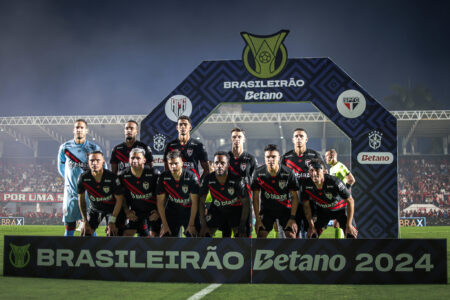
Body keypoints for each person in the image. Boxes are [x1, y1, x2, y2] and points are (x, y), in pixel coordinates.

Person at [57, 119, 102, 236]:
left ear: (86, 130)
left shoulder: (93, 147)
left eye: (82, 127)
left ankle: (95, 251)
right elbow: (61, 168)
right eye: (77, 127)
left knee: (90, 227)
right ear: (73, 130)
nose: (79, 129)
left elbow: (102, 169)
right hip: (71, 193)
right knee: (69, 226)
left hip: (89, 193)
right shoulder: (65, 147)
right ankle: (68, 251)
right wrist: (70, 180)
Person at [110, 120, 154, 236]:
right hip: (123, 191)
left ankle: (143, 234)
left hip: (140, 191)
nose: (129, 130)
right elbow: (113, 174)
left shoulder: (144, 148)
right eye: (126, 128)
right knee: (118, 228)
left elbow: (150, 172)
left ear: (136, 131)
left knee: (143, 225)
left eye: (131, 128)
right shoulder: (117, 149)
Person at [281, 128, 325, 238]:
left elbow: (324, 174)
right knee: (290, 234)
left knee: (313, 234)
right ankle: (295, 254)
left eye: (301, 136)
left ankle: (310, 255)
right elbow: (280, 180)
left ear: (306, 139)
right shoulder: (286, 157)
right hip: (292, 202)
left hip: (311, 202)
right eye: (296, 136)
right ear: (292, 140)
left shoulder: (314, 155)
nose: (299, 138)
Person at [301, 158, 358, 239]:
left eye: (317, 170)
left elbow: (350, 200)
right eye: (311, 170)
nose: (314, 173)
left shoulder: (334, 182)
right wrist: (311, 226)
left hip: (341, 211)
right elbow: (306, 206)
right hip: (323, 212)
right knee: (312, 236)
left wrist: (349, 225)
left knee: (351, 235)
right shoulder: (306, 185)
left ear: (323, 171)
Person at [251, 144, 299, 238]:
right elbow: (255, 197)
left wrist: (292, 218)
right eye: (268, 157)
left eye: (273, 157)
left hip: (285, 210)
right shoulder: (258, 172)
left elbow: (295, 197)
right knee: (261, 234)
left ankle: (293, 253)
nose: (270, 160)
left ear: (279, 158)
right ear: (264, 158)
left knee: (291, 235)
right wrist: (258, 219)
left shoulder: (288, 172)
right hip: (267, 211)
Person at [199, 151, 250, 237]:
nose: (219, 166)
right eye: (216, 163)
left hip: (234, 209)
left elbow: (246, 202)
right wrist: (203, 225)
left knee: (241, 236)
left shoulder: (237, 179)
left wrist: (242, 225)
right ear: (213, 165)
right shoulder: (208, 178)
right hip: (217, 209)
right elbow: (201, 201)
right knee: (205, 234)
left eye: (222, 163)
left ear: (228, 164)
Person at [77, 151, 125, 236]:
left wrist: (112, 220)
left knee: (113, 233)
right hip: (95, 209)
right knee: (85, 232)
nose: (94, 163)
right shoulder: (83, 177)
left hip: (111, 210)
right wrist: (85, 220)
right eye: (92, 160)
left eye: (97, 160)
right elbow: (81, 200)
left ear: (103, 162)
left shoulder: (112, 177)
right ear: (88, 162)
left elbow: (119, 200)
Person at [156, 150, 200, 237]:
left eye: (176, 163)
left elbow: (195, 203)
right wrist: (164, 225)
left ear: (182, 163)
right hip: (172, 211)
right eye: (170, 164)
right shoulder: (163, 177)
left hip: (189, 211)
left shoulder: (191, 176)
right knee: (166, 237)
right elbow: (160, 203)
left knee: (193, 237)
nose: (173, 166)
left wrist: (191, 225)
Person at [119, 148, 161, 237]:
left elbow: (162, 196)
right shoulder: (123, 176)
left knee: (153, 236)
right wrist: (127, 211)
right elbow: (121, 197)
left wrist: (158, 212)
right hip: (135, 213)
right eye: (132, 158)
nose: (134, 160)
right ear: (129, 160)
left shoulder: (154, 174)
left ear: (144, 160)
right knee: (126, 234)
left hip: (152, 212)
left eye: (138, 158)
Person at [227, 127, 257, 237]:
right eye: (234, 137)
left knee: (245, 234)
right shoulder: (225, 158)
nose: (237, 139)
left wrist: (254, 204)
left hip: (246, 203)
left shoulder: (250, 159)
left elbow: (254, 182)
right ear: (231, 139)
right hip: (230, 203)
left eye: (239, 137)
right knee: (230, 234)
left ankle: (247, 254)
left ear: (244, 139)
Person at [163, 115, 209, 180]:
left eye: (185, 124)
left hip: (193, 184)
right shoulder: (170, 146)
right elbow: (167, 169)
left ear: (190, 127)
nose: (183, 127)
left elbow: (207, 169)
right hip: (177, 184)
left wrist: (199, 183)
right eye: (180, 124)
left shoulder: (198, 145)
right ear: (177, 127)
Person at [325, 148, 356, 238]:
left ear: (333, 156)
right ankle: (341, 246)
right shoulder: (331, 169)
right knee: (336, 225)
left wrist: (343, 192)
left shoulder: (340, 166)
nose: (325, 158)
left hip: (343, 202)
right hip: (336, 202)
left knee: (348, 228)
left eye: (326, 156)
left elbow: (351, 180)